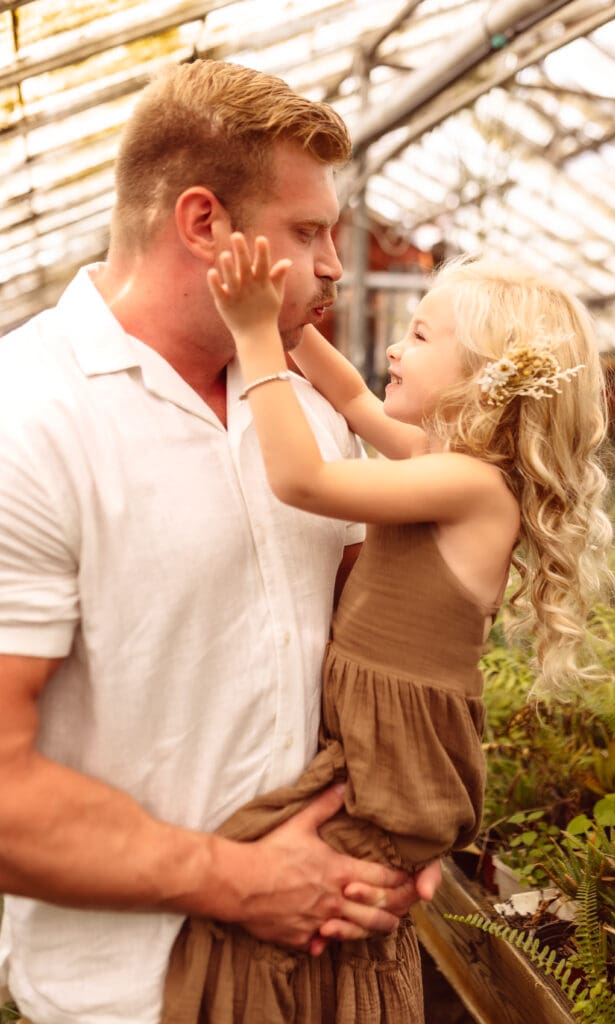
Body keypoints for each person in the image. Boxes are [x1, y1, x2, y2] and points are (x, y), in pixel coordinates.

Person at [0, 60, 440, 1024]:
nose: (334, 264)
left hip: (332, 971)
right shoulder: (27, 419)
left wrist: (409, 824)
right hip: (130, 997)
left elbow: (365, 664)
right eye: (307, 231)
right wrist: (239, 880)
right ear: (205, 225)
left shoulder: (305, 414)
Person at [164, 232, 615, 1023]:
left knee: (300, 909)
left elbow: (302, 479)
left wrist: (252, 339)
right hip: (375, 735)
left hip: (399, 753)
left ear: (481, 378)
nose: (395, 349)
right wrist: (290, 324)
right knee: (304, 905)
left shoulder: (469, 484)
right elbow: (351, 400)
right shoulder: (436, 460)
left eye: (418, 335)